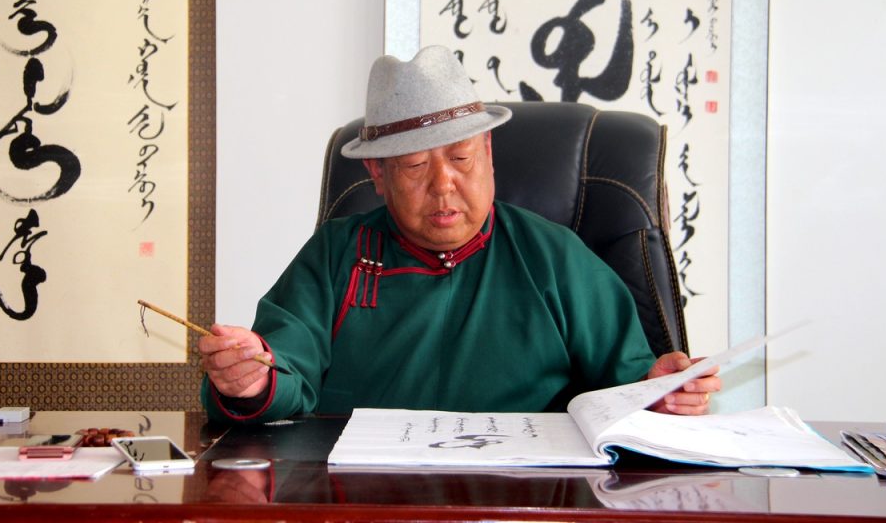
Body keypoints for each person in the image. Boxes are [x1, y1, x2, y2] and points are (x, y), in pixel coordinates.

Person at [200, 45, 720, 423]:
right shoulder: (338, 253)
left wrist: (660, 391)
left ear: (488, 154)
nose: (443, 184)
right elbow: (283, 367)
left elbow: (628, 382)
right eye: (414, 166)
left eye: (461, 158)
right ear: (377, 175)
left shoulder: (554, 255)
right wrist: (251, 379)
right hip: (364, 502)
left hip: (519, 502)